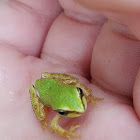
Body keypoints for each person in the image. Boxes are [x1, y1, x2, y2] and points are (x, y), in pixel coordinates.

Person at [0, 0, 140, 139]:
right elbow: (53, 125)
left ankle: (70, 98)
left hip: (50, 82)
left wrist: (88, 95)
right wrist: (66, 133)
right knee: (43, 116)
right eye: (65, 112)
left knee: (74, 83)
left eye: (80, 94)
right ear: (61, 111)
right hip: (40, 89)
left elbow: (78, 85)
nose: (82, 109)